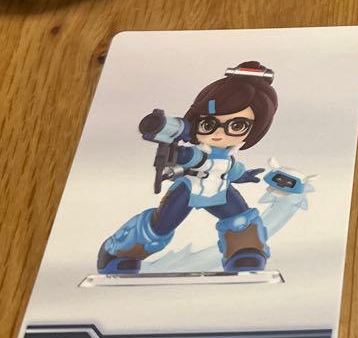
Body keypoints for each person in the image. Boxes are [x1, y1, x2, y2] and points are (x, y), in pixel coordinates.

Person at [97, 62, 278, 274]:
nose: (218, 133)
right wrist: (177, 154)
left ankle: (244, 252)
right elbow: (189, 157)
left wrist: (243, 175)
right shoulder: (199, 153)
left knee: (240, 220)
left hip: (219, 192)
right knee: (160, 227)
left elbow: (231, 169)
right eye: (208, 124)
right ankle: (118, 251)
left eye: (237, 125)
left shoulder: (227, 157)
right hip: (188, 191)